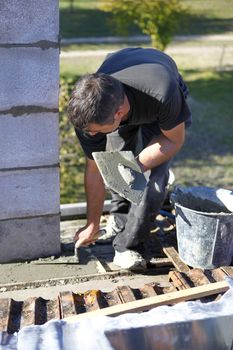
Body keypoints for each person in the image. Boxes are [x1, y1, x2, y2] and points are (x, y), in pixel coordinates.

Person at [68, 47, 192, 270]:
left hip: (157, 99)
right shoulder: (89, 115)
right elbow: (95, 170)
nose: (91, 136)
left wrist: (137, 165)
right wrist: (92, 223)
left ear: (118, 115)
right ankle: (120, 216)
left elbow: (174, 140)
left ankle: (129, 245)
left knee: (151, 179)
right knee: (114, 162)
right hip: (123, 84)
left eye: (96, 131)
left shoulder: (163, 94)